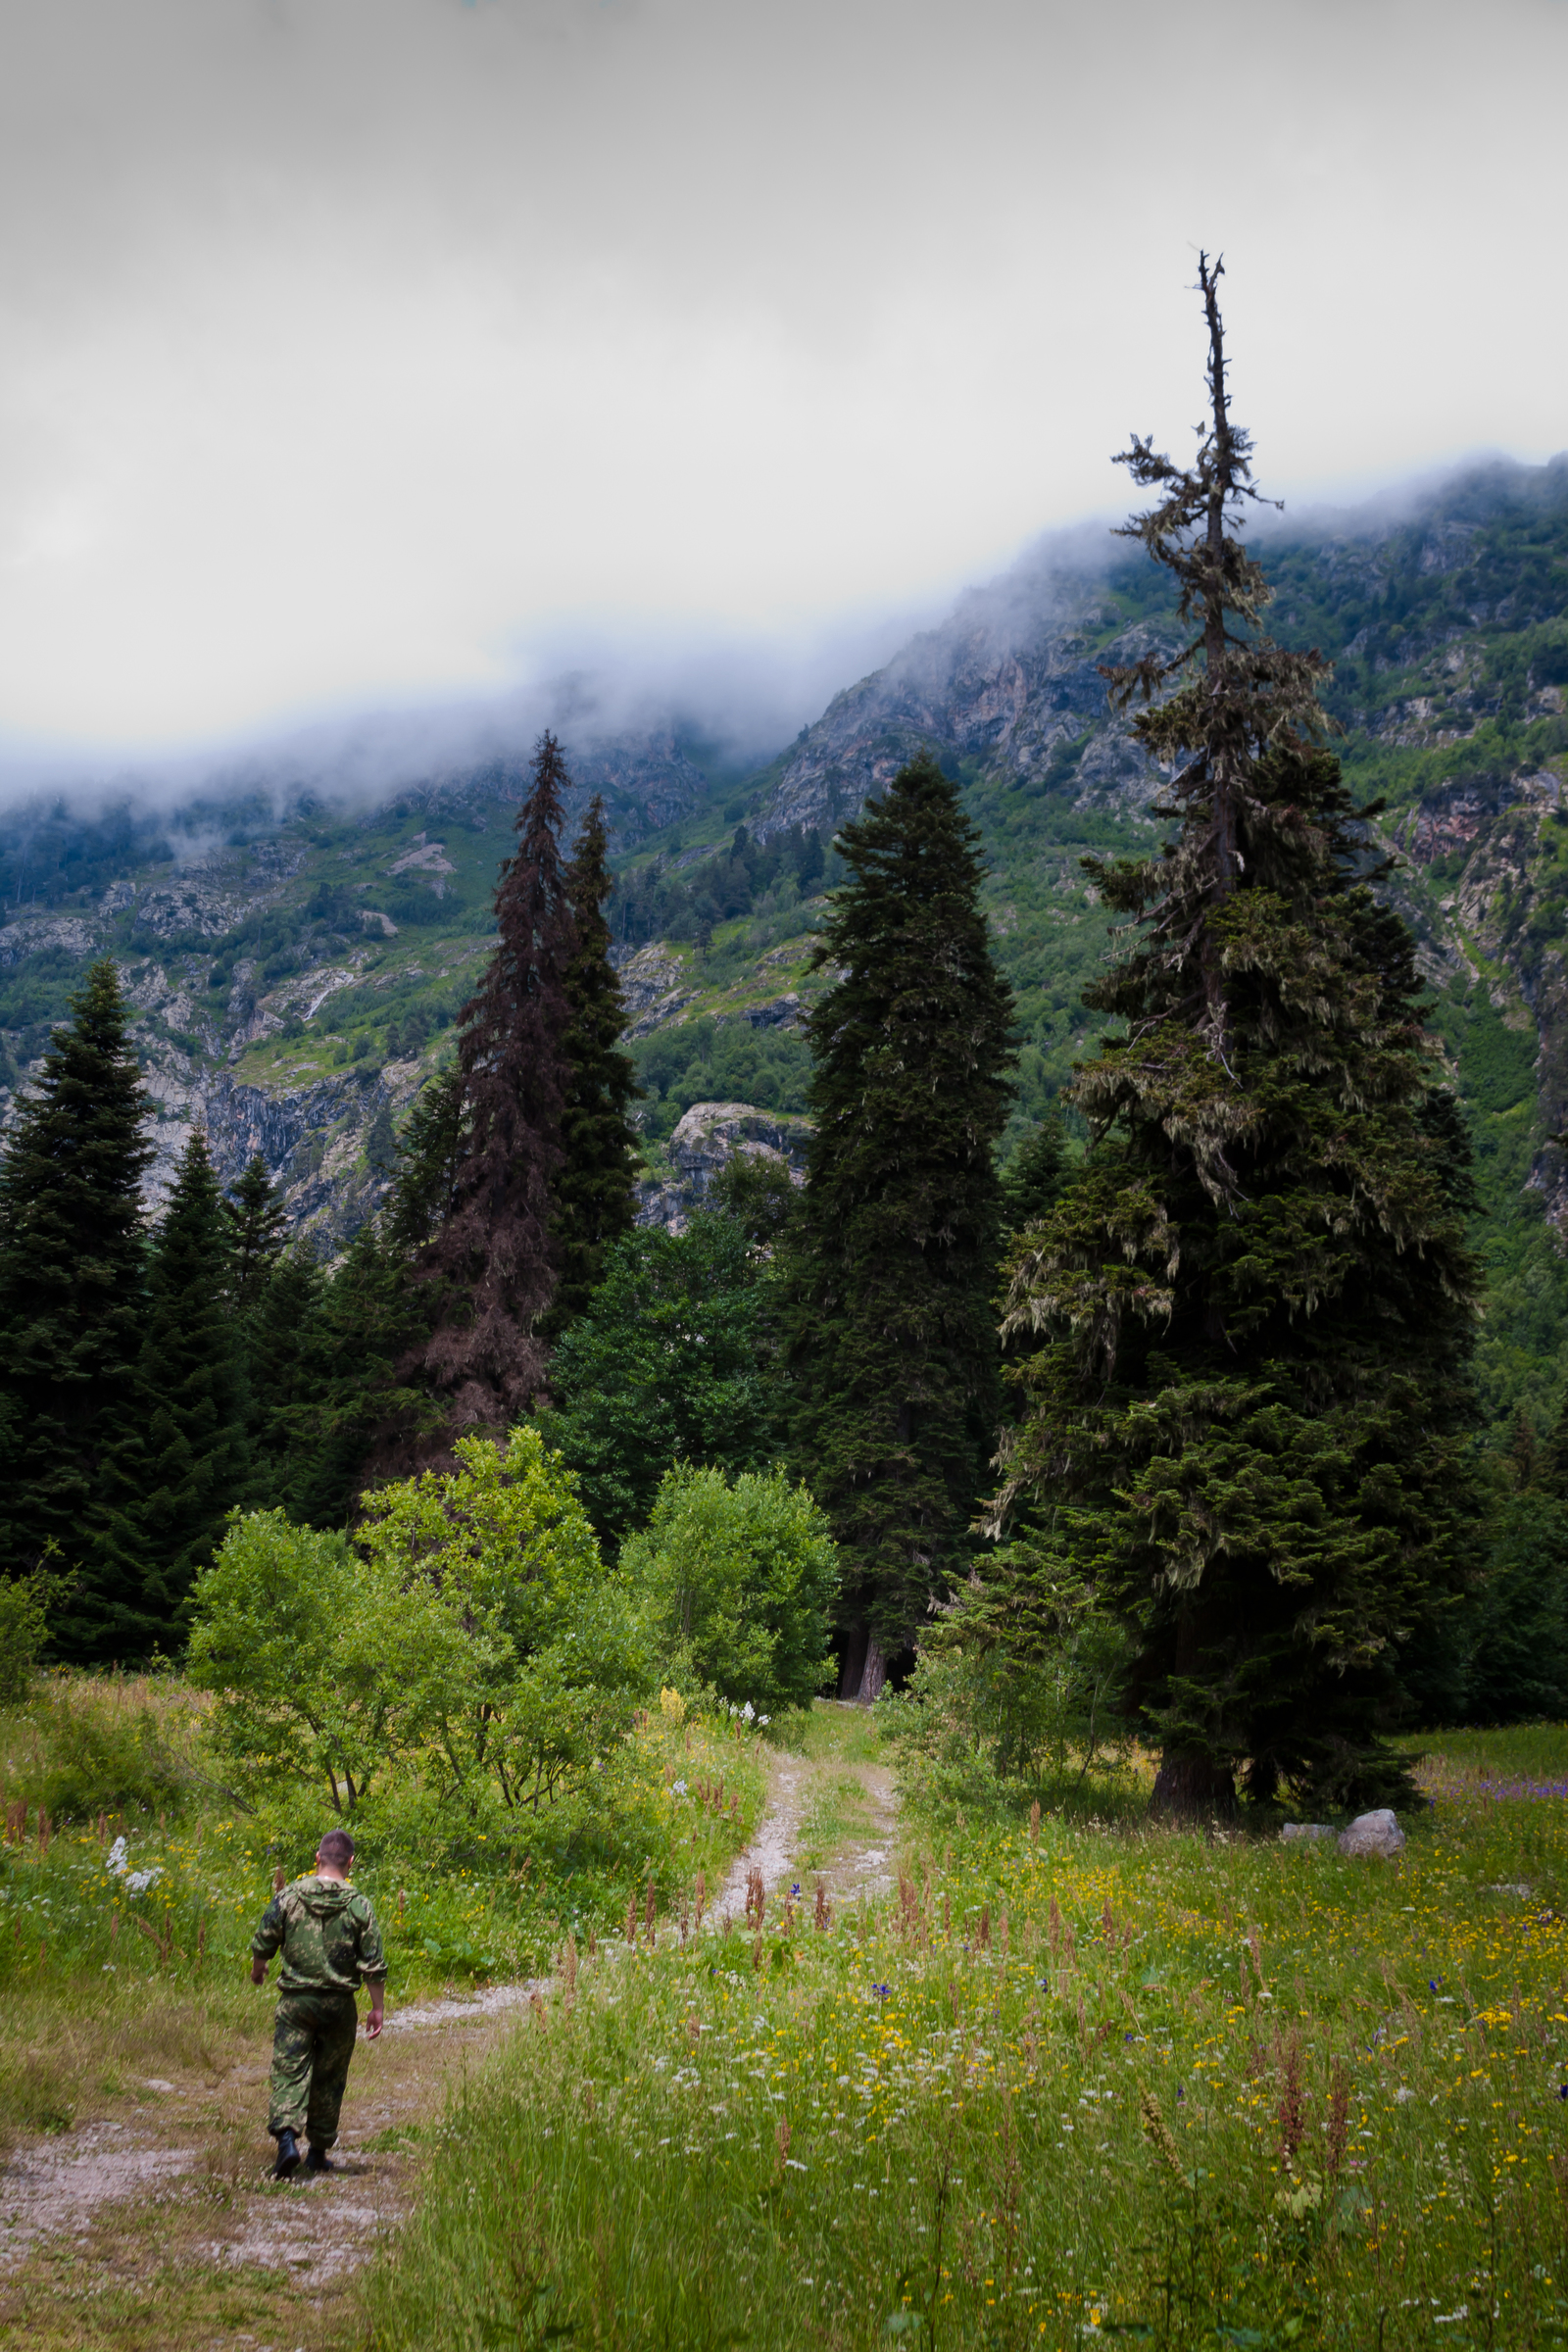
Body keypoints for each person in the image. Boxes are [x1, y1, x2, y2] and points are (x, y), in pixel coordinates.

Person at [250, 1826, 386, 2180]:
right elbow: (372, 1963)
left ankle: (286, 2141)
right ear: (350, 1863)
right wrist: (377, 2008)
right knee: (329, 2076)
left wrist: (259, 1966)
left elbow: (265, 1936)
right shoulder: (360, 1904)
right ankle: (318, 2152)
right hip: (338, 2005)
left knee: (289, 2068)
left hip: (297, 2002)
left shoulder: (290, 1895)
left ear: (317, 1859)